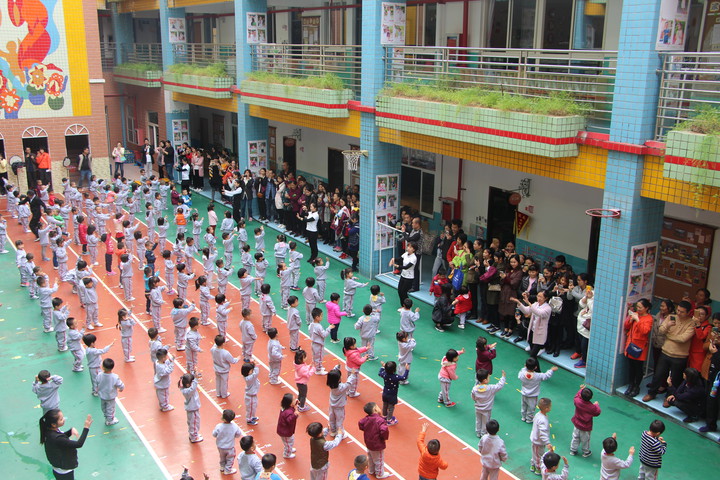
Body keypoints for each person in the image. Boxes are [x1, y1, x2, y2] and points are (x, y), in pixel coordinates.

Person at [643, 300, 695, 402]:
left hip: (680, 356)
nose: (679, 313)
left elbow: (683, 338)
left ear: (688, 312)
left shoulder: (691, 323)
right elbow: (661, 330)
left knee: (675, 379)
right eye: (678, 310)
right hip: (665, 352)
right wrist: (667, 326)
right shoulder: (671, 317)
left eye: (682, 312)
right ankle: (651, 393)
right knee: (658, 375)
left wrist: (669, 335)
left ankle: (669, 398)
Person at [40, 409, 93, 480]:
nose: (64, 420)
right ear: (53, 424)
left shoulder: (49, 432)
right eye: (61, 419)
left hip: (58, 469)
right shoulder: (57, 438)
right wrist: (86, 428)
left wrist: (70, 432)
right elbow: (79, 444)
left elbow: (60, 440)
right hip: (64, 472)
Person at [511, 290, 552, 358]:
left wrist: (528, 303)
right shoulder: (535, 304)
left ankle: (538, 354)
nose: (538, 298)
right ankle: (535, 364)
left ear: (546, 298)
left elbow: (539, 313)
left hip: (540, 333)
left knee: (533, 355)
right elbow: (526, 310)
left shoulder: (548, 308)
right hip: (532, 330)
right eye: (538, 296)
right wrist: (518, 302)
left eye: (541, 297)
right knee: (532, 352)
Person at [519, 358, 558, 423]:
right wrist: (551, 370)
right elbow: (546, 376)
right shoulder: (538, 376)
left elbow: (520, 373)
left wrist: (524, 368)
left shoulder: (522, 374)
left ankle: (523, 417)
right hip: (533, 396)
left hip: (524, 394)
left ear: (526, 365)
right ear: (535, 367)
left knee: (524, 406)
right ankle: (529, 419)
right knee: (531, 408)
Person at [358, 402, 390, 478]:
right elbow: (384, 430)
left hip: (368, 442)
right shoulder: (380, 420)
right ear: (375, 409)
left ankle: (371, 470)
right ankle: (380, 473)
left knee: (370, 457)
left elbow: (360, 423)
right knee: (379, 459)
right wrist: (384, 437)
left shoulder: (366, 419)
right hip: (377, 444)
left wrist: (366, 429)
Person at [471, 369, 506, 437]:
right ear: (485, 380)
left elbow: (473, 396)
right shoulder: (490, 388)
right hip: (486, 409)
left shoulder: (475, 388)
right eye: (488, 377)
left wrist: (476, 401)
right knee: (486, 421)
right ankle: (483, 433)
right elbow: (499, 385)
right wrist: (503, 377)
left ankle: (478, 432)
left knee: (478, 420)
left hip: (478, 408)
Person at [569, 386, 601, 457]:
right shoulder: (591, 407)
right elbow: (598, 412)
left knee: (575, 437)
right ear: (591, 397)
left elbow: (576, 396)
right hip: (585, 427)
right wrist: (596, 405)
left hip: (577, 424)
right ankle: (586, 452)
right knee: (585, 440)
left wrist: (581, 389)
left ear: (581, 396)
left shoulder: (577, 401)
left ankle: (573, 450)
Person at [212, 409, 242, 476]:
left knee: (222, 457)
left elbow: (214, 434)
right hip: (230, 447)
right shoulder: (234, 426)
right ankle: (228, 469)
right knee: (230, 458)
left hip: (220, 447)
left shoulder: (219, 426)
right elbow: (238, 434)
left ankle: (222, 467)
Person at [97, 358, 124, 426]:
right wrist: (121, 388)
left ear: (103, 367)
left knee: (104, 407)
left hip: (102, 395)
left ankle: (106, 416)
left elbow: (97, 382)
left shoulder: (99, 375)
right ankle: (110, 420)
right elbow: (120, 384)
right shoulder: (114, 377)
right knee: (110, 409)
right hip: (110, 396)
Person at [530, 398, 552, 475]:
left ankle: (533, 464)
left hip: (536, 439)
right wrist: (547, 442)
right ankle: (538, 468)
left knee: (535, 453)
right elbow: (543, 433)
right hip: (538, 441)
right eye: (550, 406)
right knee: (539, 455)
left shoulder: (538, 414)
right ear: (546, 408)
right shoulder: (543, 420)